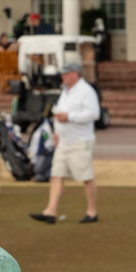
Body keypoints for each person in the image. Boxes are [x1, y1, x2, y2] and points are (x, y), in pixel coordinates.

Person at [30, 62, 100, 224]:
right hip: (63, 141)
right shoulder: (65, 91)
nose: (62, 76)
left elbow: (93, 114)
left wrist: (69, 117)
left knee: (86, 176)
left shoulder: (86, 91)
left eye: (65, 73)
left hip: (80, 141)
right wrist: (57, 131)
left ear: (75, 73)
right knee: (56, 175)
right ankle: (50, 211)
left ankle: (92, 211)